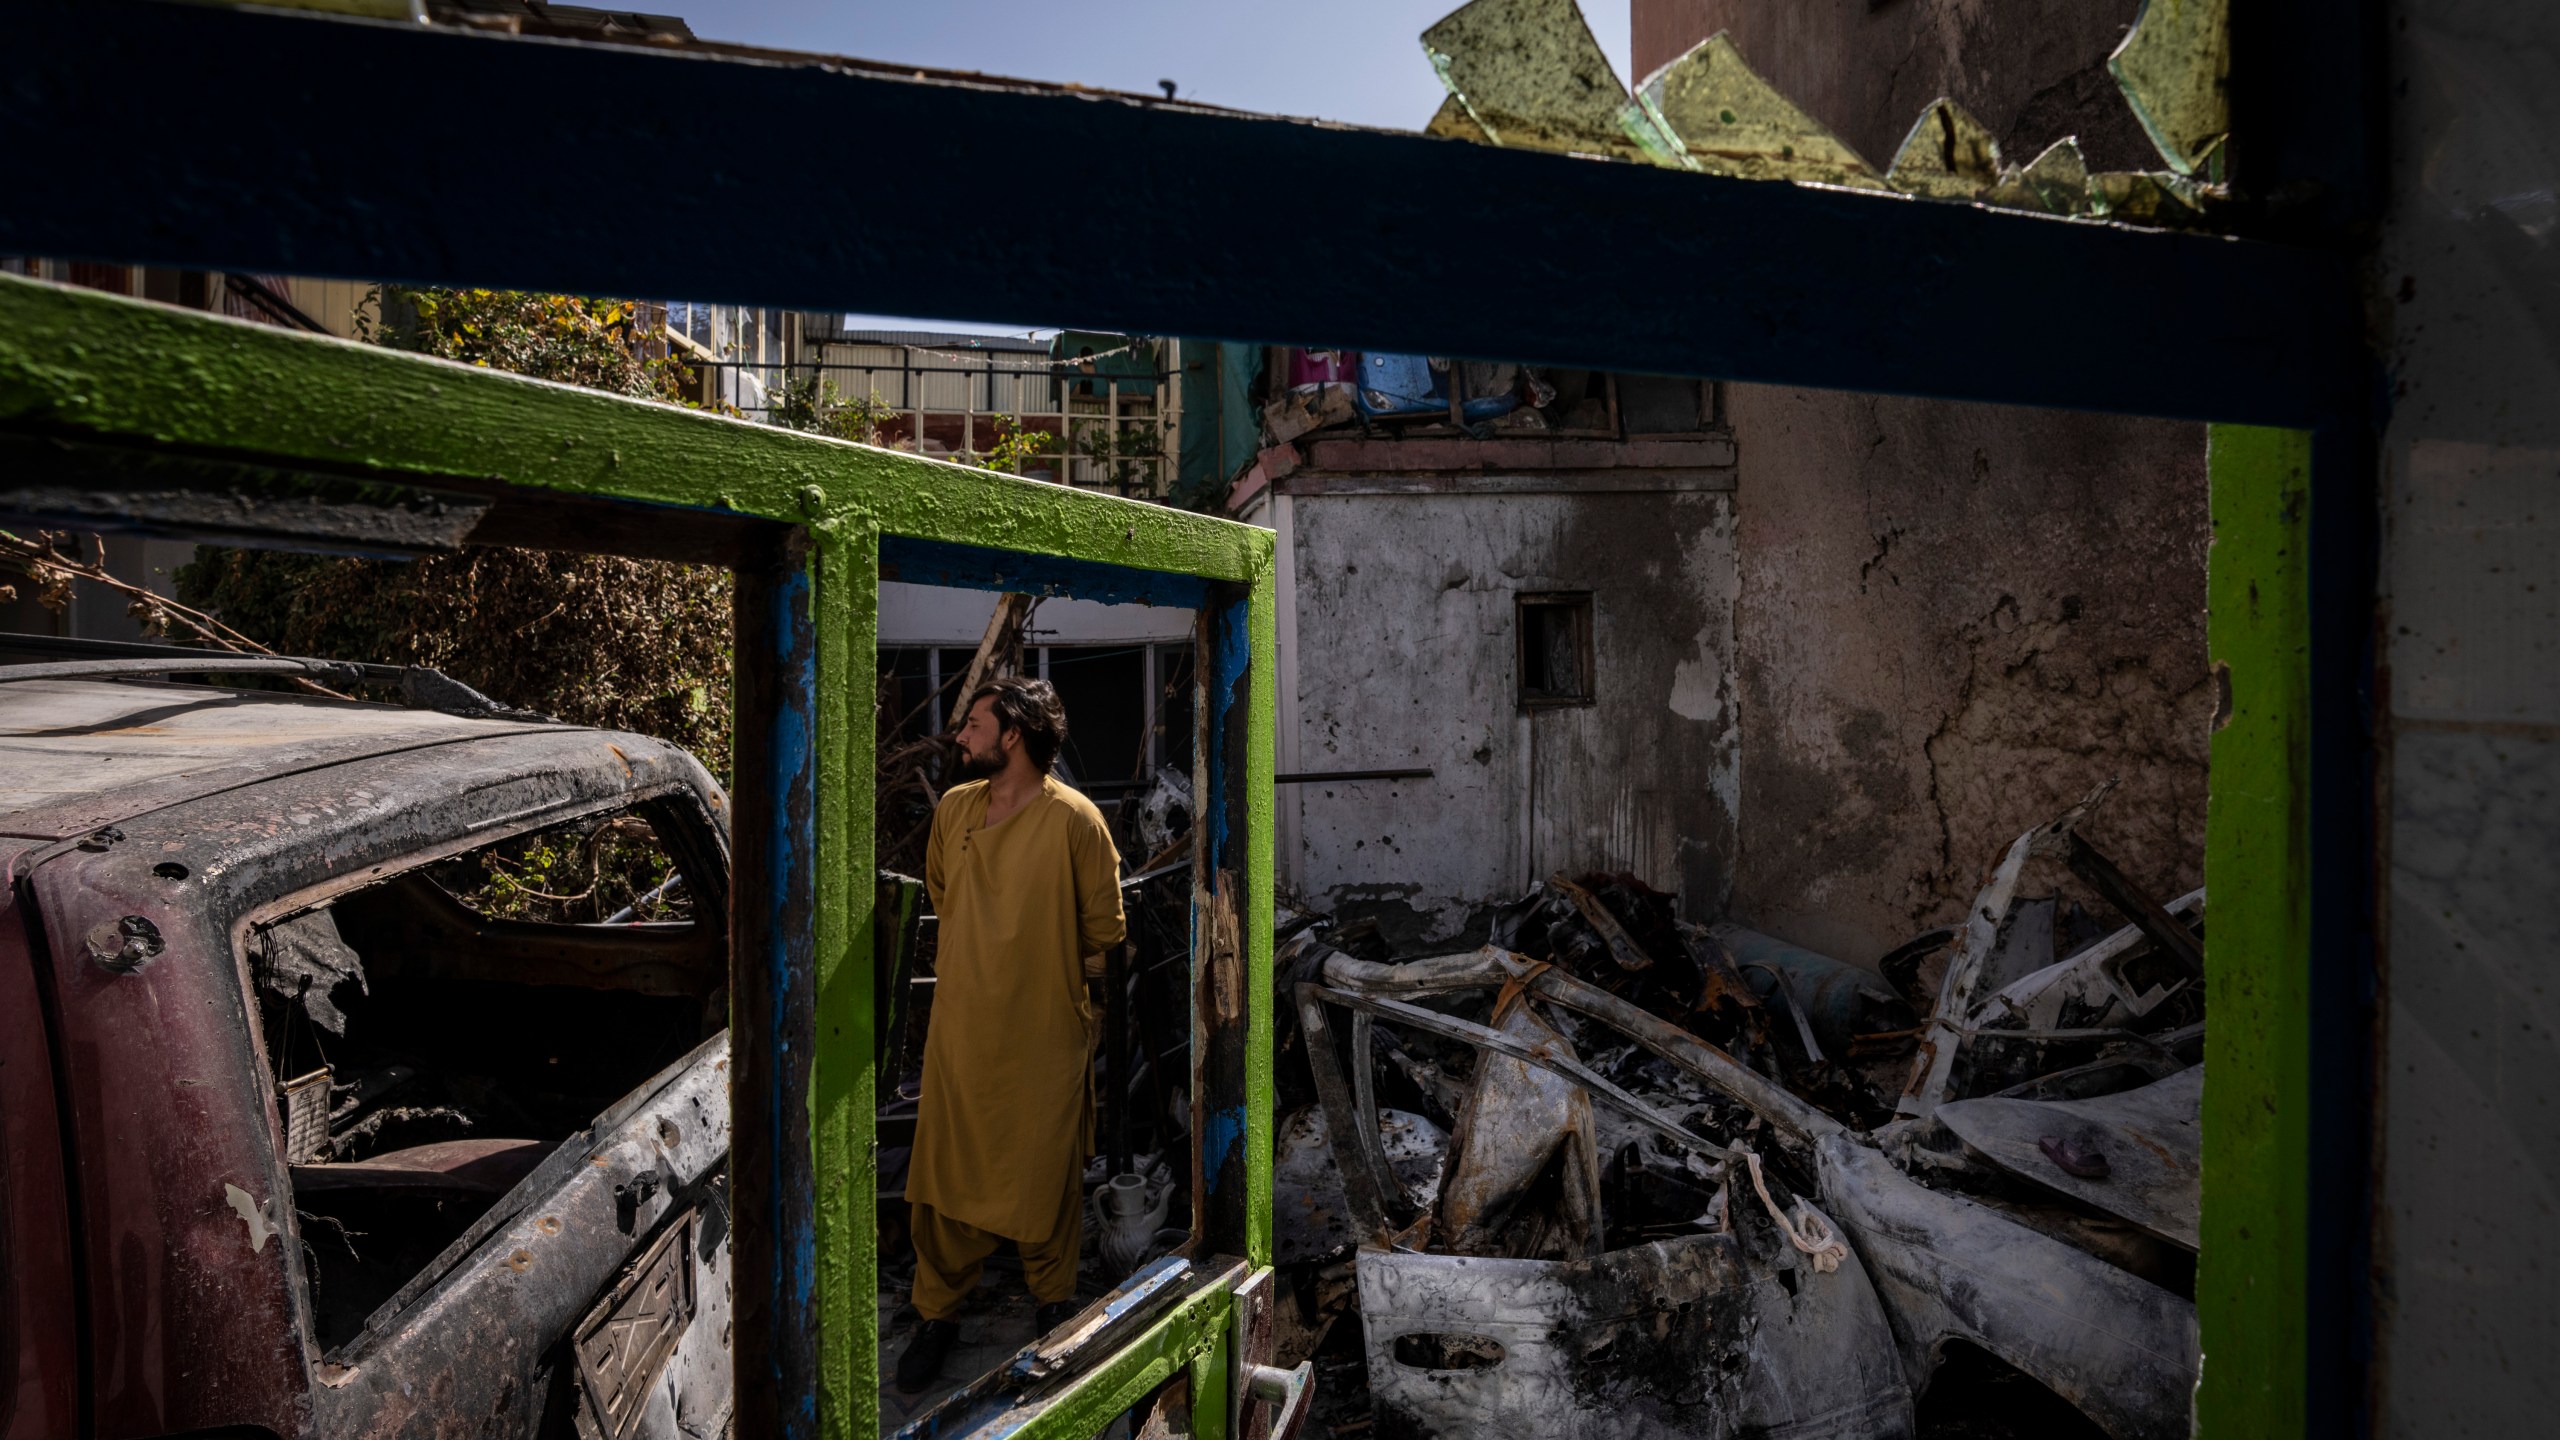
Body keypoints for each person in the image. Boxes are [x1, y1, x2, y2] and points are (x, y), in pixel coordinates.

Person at [895, 676, 1126, 1395]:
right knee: (945, 1178)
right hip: (962, 1032)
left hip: (1043, 1036)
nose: (962, 736)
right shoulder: (957, 811)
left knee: (1042, 1177)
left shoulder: (1077, 822)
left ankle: (1053, 1307)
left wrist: (1043, 964)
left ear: (1014, 735)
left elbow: (1104, 930)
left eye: (975, 724)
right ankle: (936, 1314)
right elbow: (942, 894)